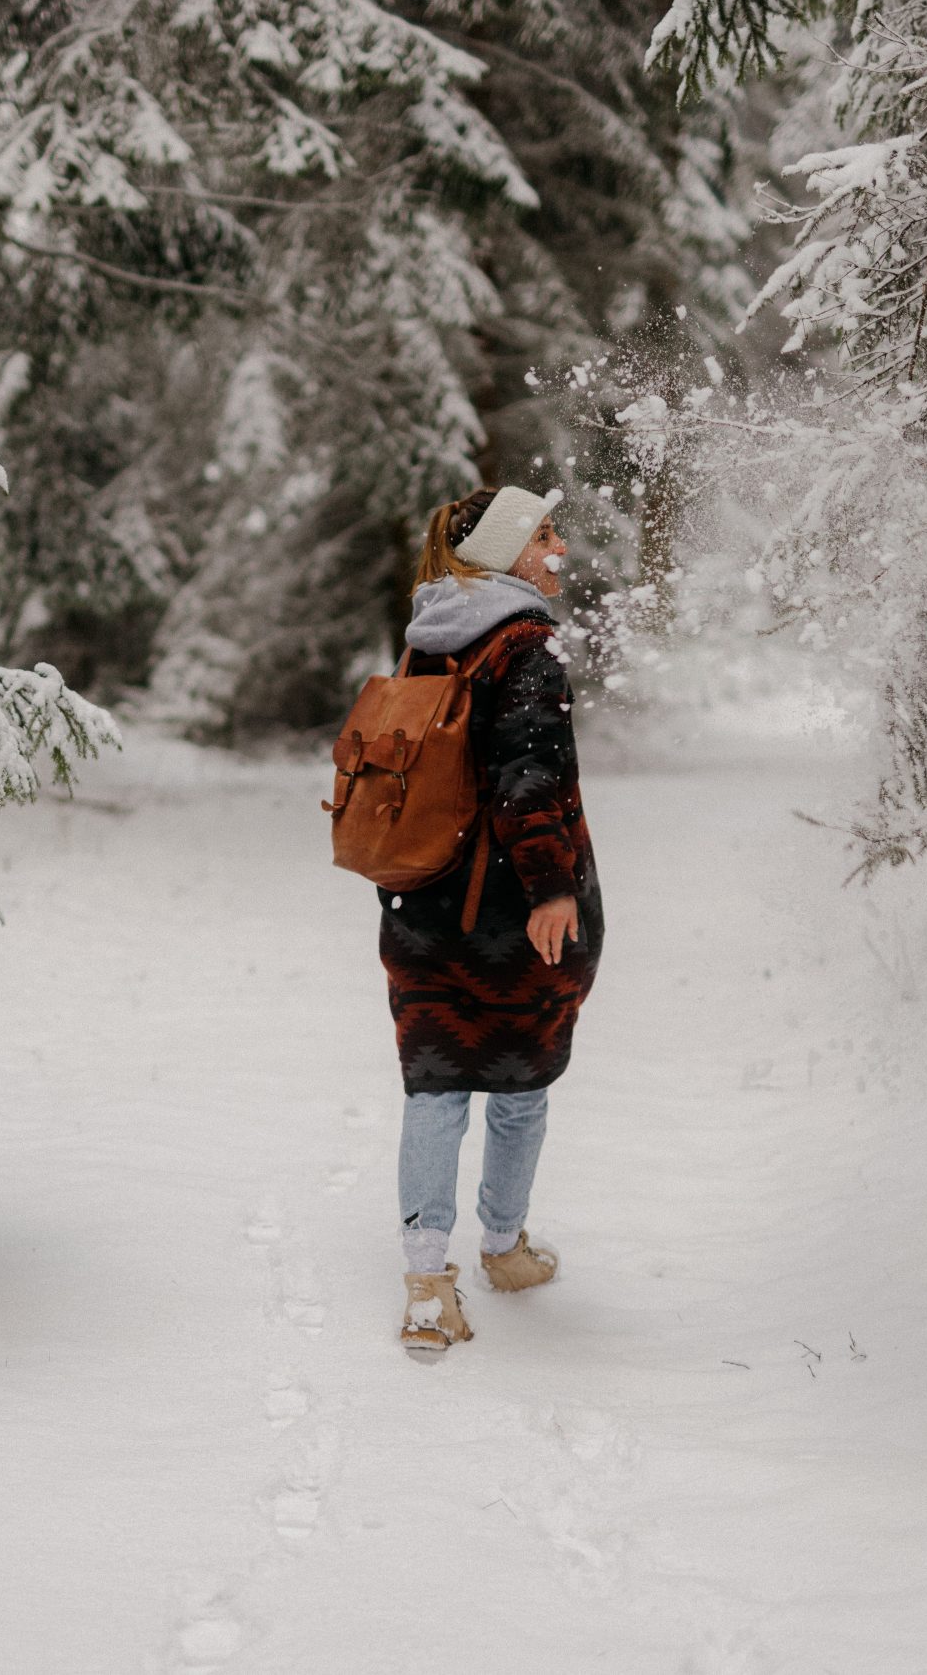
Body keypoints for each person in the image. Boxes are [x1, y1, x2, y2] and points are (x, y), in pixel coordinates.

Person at [381, 485, 602, 1353]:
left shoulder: (426, 637)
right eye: (544, 536)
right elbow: (528, 779)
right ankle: (503, 1249)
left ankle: (428, 1283)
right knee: (520, 1087)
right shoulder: (525, 647)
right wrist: (552, 889)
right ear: (507, 554)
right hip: (509, 911)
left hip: (421, 897)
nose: (560, 550)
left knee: (436, 1088)